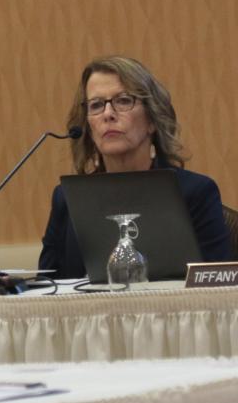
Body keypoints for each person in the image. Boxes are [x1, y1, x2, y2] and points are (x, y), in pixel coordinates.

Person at [39, 56, 232, 278]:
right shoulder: (66, 198)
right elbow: (46, 284)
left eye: (123, 101)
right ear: (88, 127)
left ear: (152, 120)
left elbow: (220, 285)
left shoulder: (195, 192)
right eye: (96, 105)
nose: (108, 114)